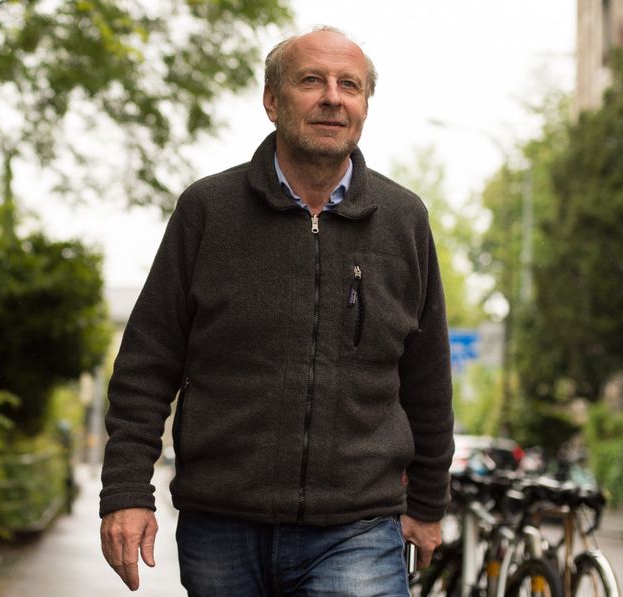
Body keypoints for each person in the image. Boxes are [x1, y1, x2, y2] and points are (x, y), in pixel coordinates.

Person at [99, 26, 454, 596]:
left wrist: (429, 500)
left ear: (365, 106)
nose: (333, 97)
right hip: (222, 522)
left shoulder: (403, 220)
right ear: (272, 100)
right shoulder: (207, 211)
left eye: (351, 85)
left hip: (357, 526)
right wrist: (125, 492)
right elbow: (147, 363)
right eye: (312, 80)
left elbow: (428, 377)